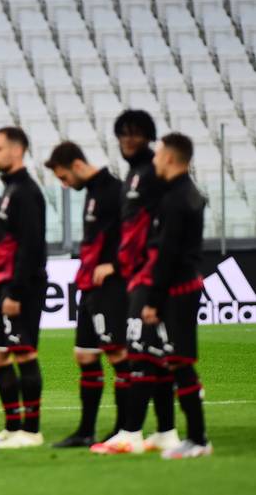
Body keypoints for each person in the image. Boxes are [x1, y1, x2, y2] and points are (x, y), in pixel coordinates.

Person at [92, 110, 179, 454]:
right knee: (152, 355)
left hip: (150, 275)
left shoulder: (153, 175)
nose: (128, 140)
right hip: (137, 275)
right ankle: (167, 431)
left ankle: (131, 432)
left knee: (141, 354)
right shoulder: (133, 175)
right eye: (123, 134)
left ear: (149, 137)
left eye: (135, 134)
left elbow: (162, 228)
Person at [44, 142, 130, 448]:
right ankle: (86, 431)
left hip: (112, 287)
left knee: (119, 354)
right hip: (89, 285)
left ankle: (125, 428)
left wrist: (115, 264)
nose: (64, 184)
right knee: (85, 355)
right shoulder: (93, 192)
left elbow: (135, 233)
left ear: (78, 165)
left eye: (64, 177)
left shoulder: (115, 190)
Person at [143, 133, 210, 459]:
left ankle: (197, 439)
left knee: (180, 363)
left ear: (169, 158)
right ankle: (194, 437)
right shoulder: (187, 194)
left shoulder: (174, 200)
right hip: (184, 287)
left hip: (177, 290)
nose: (154, 160)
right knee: (177, 362)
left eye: (157, 155)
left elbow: (166, 254)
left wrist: (153, 300)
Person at [0, 126, 47, 449]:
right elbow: (7, 246)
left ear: (16, 151)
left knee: (23, 353)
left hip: (25, 286)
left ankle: (31, 430)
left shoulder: (26, 192)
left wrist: (17, 292)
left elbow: (31, 246)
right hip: (7, 284)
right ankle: (11, 426)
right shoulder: (9, 189)